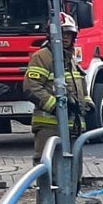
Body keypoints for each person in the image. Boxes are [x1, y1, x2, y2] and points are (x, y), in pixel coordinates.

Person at [23, 13, 92, 162]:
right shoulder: (42, 57)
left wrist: (87, 103)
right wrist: (57, 106)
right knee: (49, 166)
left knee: (73, 169)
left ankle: (74, 186)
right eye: (62, 33)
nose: (66, 37)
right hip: (49, 126)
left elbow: (81, 85)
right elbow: (31, 87)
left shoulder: (70, 59)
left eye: (69, 33)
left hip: (73, 126)